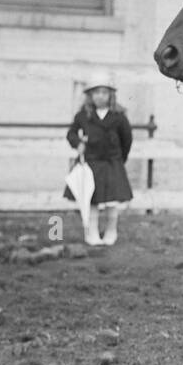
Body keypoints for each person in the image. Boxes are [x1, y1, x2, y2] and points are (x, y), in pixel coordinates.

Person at [64, 73, 133, 245]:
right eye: (96, 92)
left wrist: (119, 160)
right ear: (90, 96)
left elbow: (127, 140)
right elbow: (71, 133)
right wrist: (78, 143)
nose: (100, 96)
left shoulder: (119, 116)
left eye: (104, 92)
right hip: (92, 163)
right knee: (92, 201)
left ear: (111, 95)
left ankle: (111, 231)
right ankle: (92, 233)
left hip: (112, 163)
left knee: (111, 202)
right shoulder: (83, 116)